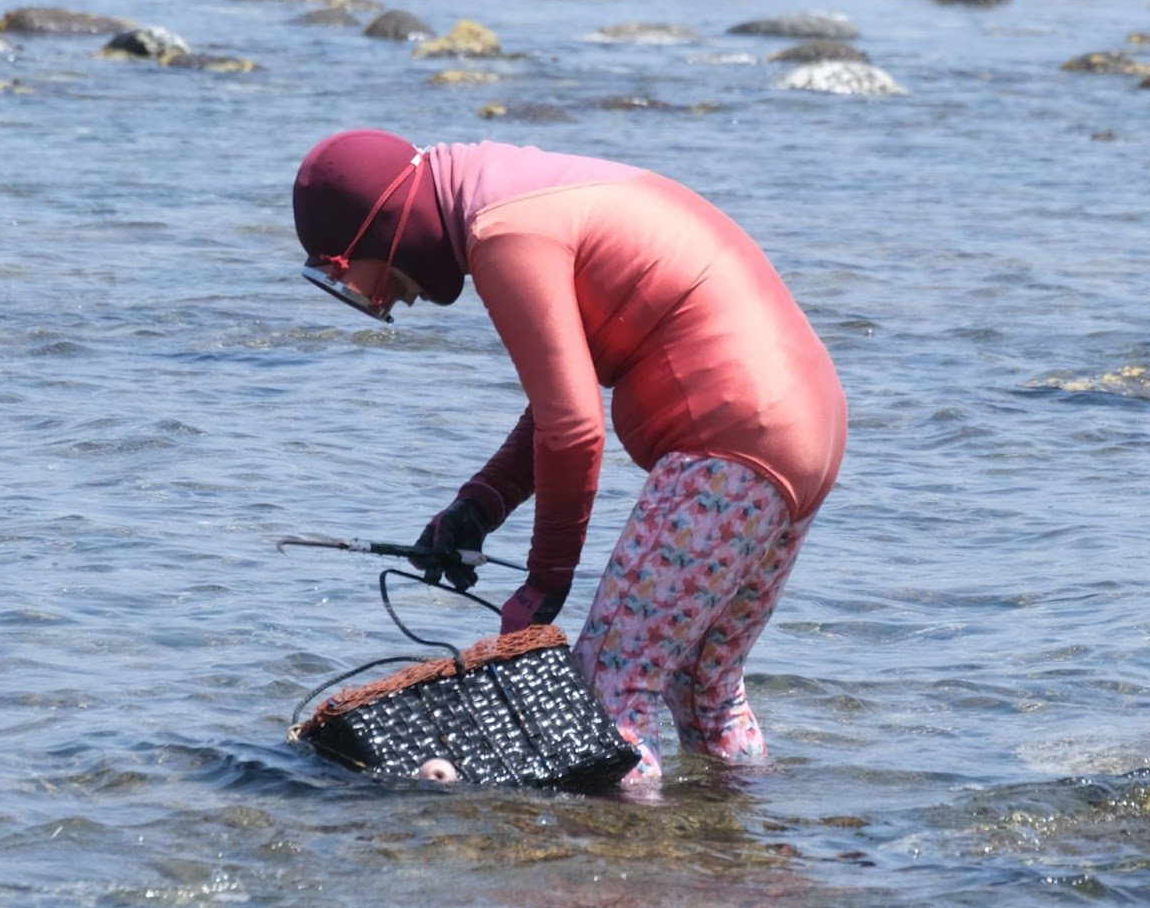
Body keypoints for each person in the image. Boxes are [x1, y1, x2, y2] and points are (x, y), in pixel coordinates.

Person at [293, 128, 847, 783]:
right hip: (807, 430)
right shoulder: (516, 191)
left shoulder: (503, 233)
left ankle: (613, 880)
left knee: (610, 693)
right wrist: (480, 503)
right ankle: (740, 863)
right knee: (703, 686)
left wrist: (545, 581)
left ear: (381, 226)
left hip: (730, 442)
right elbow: (564, 399)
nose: (385, 304)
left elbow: (574, 428)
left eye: (356, 285)